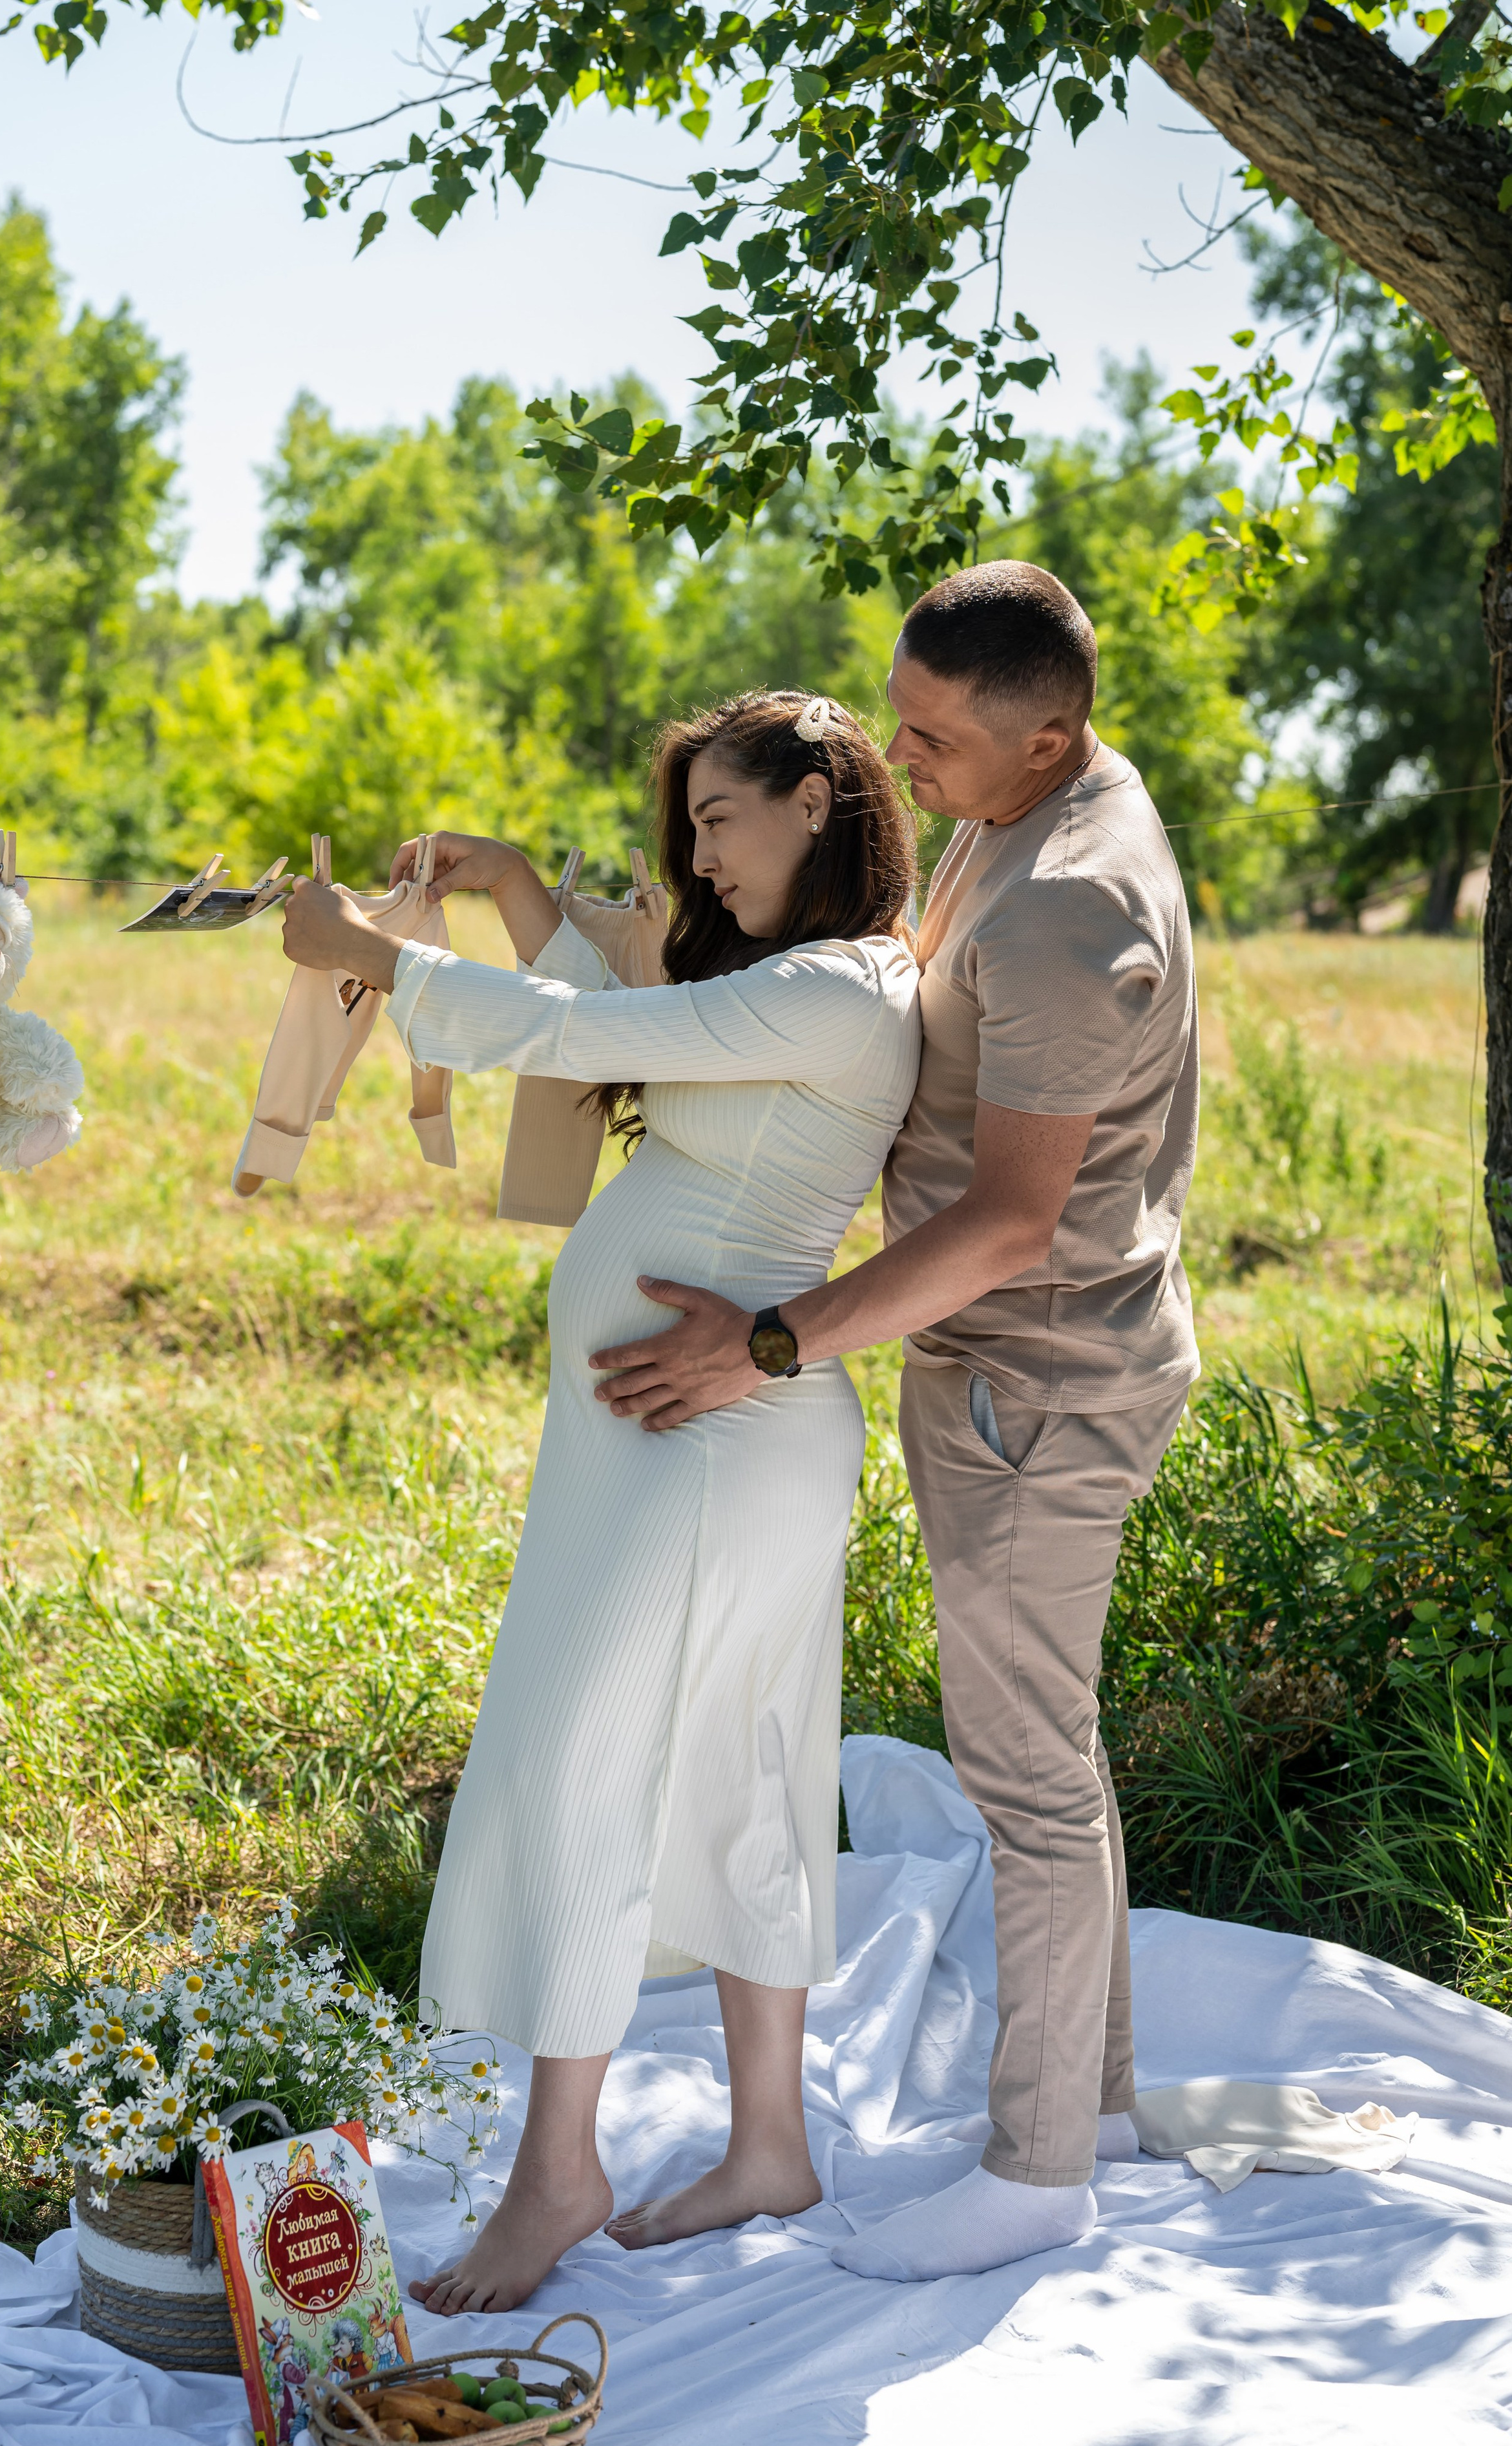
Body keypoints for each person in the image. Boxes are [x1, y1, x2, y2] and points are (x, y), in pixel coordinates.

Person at [586, 563, 1199, 2282]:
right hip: (1022, 1360)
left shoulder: (1071, 909)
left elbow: (1010, 1221)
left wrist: (768, 1344)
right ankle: (1107, 2109)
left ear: (1047, 733)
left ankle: (1036, 2171)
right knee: (1046, 1751)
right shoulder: (1052, 796)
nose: (899, 765)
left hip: (1041, 1382)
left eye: (928, 739)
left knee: (1023, 1771)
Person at [280, 690, 923, 2312]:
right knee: (740, 1759)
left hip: (706, 1443)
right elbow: (624, 1025)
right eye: (687, 827)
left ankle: (557, 2168)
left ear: (818, 800)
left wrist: (365, 955)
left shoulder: (839, 992)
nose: (695, 856)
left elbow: (581, 1038)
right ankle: (765, 2142)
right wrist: (504, 885)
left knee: (589, 1764)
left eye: (717, 817)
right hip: (690, 1437)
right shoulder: (792, 989)